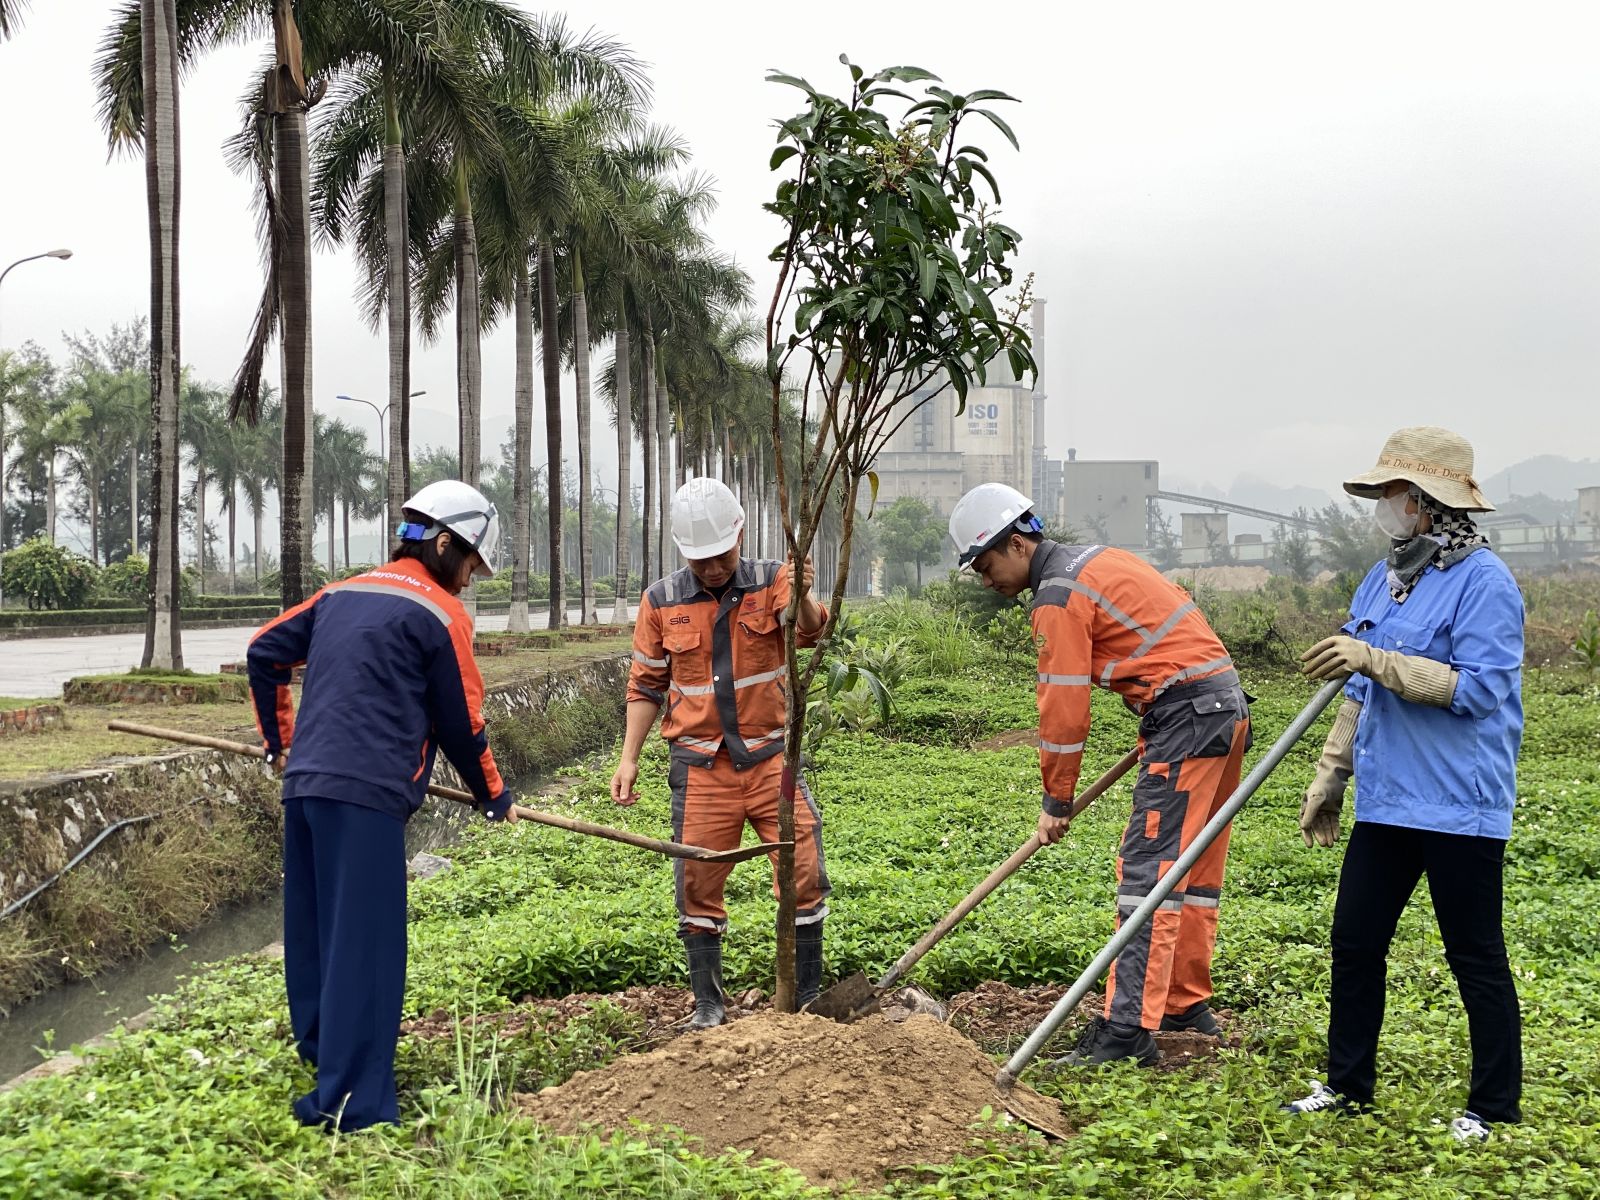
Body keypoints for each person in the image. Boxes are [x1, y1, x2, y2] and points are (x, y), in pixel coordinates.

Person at [948, 483, 1252, 1067]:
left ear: (1017, 543)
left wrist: (1055, 799)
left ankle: (1125, 1031)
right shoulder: (1103, 559)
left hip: (1187, 716)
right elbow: (1176, 616)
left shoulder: (1056, 596)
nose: (987, 581)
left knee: (1149, 873)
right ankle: (1184, 1003)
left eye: (986, 566)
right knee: (1194, 868)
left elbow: (1062, 710)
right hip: (1222, 706)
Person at [247, 480, 517, 1131]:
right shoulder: (441, 614)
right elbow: (461, 722)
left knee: (317, 934)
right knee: (366, 947)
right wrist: (493, 796)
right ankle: (354, 1106)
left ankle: (322, 1056)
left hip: (306, 785)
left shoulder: (342, 592)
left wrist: (280, 745)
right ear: (446, 544)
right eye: (471, 566)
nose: (470, 581)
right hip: (366, 796)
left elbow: (264, 651)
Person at [1285, 426, 1523, 1144]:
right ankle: (1348, 1084)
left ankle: (1492, 1107)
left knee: (1474, 953)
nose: (1382, 505)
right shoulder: (1382, 578)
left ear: (1423, 501)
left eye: (1391, 493)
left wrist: (1375, 657)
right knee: (1355, 942)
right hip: (1388, 799)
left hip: (1459, 803)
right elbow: (1356, 688)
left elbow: (1477, 690)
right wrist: (1331, 775)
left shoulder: (1486, 583)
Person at [611, 477, 830, 1028]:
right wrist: (629, 757)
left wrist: (801, 592)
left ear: (739, 536)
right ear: (684, 553)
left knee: (803, 868)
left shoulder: (774, 581)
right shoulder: (661, 601)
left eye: (721, 556)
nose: (712, 568)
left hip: (771, 762)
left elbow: (811, 631)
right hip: (700, 765)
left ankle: (805, 997)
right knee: (697, 884)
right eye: (700, 559)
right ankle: (708, 1006)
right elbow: (646, 686)